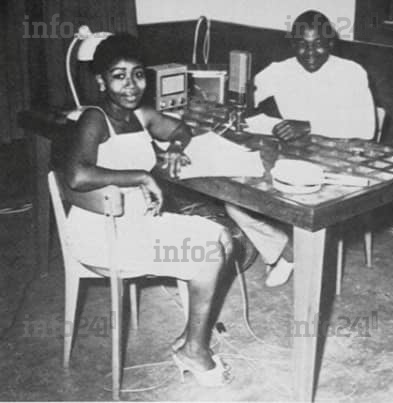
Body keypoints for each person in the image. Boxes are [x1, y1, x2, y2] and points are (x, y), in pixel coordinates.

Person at [64, 33, 233, 386]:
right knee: (209, 254)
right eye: (119, 76)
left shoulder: (140, 114)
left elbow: (182, 129)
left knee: (222, 236)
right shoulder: (94, 118)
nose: (131, 85)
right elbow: (77, 175)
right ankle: (194, 351)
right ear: (101, 81)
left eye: (138, 74)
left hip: (139, 223)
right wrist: (140, 176)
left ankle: (190, 338)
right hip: (103, 235)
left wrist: (175, 148)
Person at [226, 10, 376, 287]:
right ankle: (287, 250)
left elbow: (366, 127)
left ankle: (291, 253)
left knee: (296, 200)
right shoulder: (279, 70)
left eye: (318, 44)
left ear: (331, 43)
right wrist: (272, 124)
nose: (310, 52)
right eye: (302, 44)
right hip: (291, 158)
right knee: (233, 195)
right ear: (292, 44)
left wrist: (309, 125)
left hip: (338, 162)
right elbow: (246, 110)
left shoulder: (351, 72)